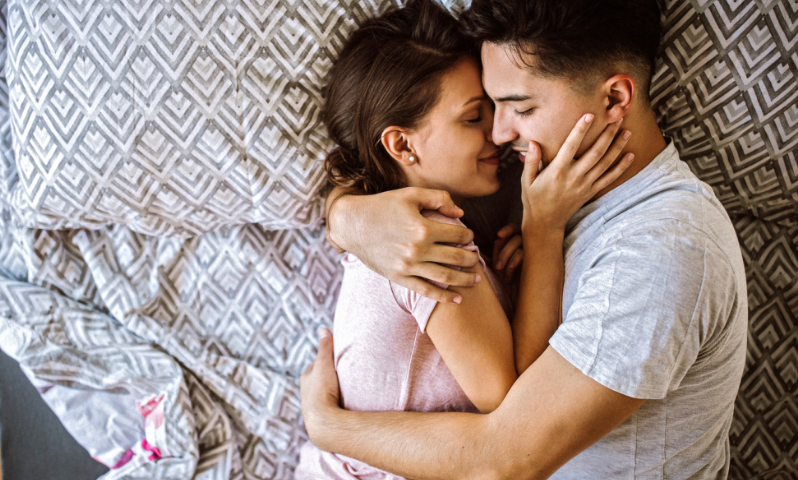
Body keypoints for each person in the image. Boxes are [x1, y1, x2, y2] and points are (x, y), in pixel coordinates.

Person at [300, 0, 749, 479]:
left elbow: (502, 462)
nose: (498, 132)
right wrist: (351, 218)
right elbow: (382, 162)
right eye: (487, 110)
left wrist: (329, 428)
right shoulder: (532, 181)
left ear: (615, 100)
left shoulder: (665, 249)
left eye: (521, 107)